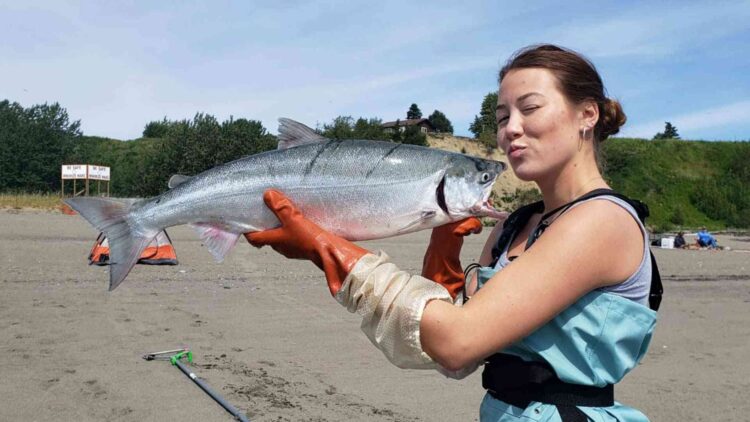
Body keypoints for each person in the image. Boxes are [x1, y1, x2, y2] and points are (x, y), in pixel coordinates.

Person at [245, 44, 658, 421]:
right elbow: (453, 357)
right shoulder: (515, 227)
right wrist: (444, 248)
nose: (510, 129)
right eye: (501, 117)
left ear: (588, 114)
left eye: (529, 109)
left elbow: (457, 341)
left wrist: (330, 250)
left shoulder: (601, 220)